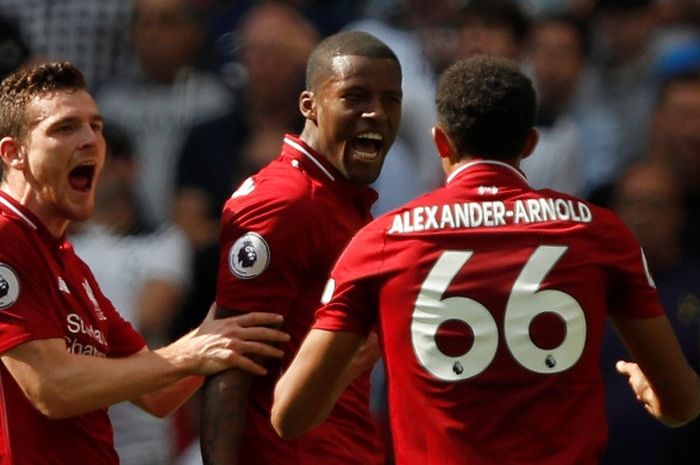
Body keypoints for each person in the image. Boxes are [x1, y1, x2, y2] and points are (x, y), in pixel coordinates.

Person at [271, 56, 700, 465]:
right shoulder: (600, 234)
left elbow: (289, 418)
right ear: (530, 143)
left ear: (441, 140)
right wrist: (654, 393)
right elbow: (683, 404)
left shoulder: (381, 241)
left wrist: (349, 371)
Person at [0, 61, 289, 465]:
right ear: (14, 153)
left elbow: (158, 394)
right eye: (65, 128)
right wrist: (190, 354)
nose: (90, 141)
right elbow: (51, 389)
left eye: (96, 127)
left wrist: (230, 313)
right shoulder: (6, 236)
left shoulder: (71, 265)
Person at [200, 31, 402, 465]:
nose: (377, 113)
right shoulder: (286, 201)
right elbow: (229, 359)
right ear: (309, 105)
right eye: (356, 96)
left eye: (391, 99)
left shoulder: (340, 199)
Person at [69, 124, 193, 465]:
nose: (86, 174)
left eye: (98, 163)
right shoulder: (51, 245)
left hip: (141, 437)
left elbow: (145, 320)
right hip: (66, 431)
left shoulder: (165, 241)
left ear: (128, 167)